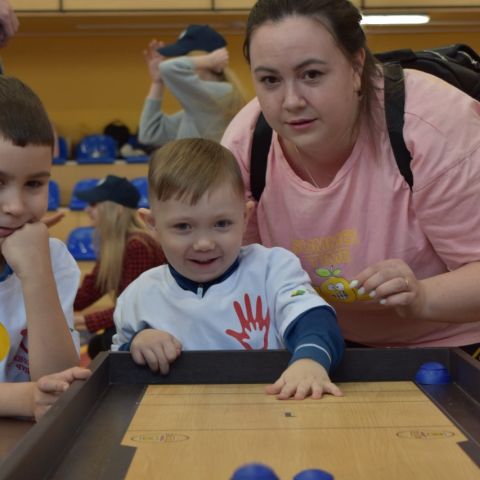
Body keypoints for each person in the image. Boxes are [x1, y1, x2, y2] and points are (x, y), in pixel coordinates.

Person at [221, 0, 480, 355]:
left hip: (450, 345)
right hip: (318, 343)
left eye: (312, 74)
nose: (291, 100)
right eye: (270, 80)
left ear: (357, 66)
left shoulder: (436, 127)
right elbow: (235, 273)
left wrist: (421, 297)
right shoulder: (246, 144)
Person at [112, 138, 345, 400]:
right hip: (182, 425)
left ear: (245, 217)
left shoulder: (272, 269)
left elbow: (314, 320)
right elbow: (117, 371)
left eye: (221, 223)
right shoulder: (138, 297)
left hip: (271, 416)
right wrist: (137, 345)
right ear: (152, 224)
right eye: (183, 227)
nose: (204, 243)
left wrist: (310, 362)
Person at [0, 75, 90, 420]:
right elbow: (38, 395)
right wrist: (24, 399)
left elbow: (58, 382)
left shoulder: (51, 259)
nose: (16, 206)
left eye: (34, 183)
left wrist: (36, 274)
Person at [73, 175, 166, 359]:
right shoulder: (114, 246)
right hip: (140, 322)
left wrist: (85, 321)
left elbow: (136, 308)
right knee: (98, 345)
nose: (87, 210)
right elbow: (85, 296)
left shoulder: (137, 245)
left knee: (104, 343)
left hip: (156, 325)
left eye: (93, 204)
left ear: (116, 210)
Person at [138, 24, 246, 146]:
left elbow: (168, 68)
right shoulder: (194, 111)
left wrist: (209, 61)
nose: (181, 61)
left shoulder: (224, 94)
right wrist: (157, 82)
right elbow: (149, 134)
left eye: (184, 57)